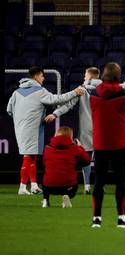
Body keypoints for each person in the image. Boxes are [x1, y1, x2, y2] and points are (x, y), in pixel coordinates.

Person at [7, 66, 84, 195]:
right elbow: (57, 99)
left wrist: (21, 118)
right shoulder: (39, 91)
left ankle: (34, 185)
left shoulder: (16, 92)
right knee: (28, 156)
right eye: (42, 76)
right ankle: (22, 187)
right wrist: (75, 92)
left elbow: (9, 110)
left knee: (32, 156)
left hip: (20, 127)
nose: (43, 79)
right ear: (37, 76)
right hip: (32, 128)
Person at [89, 62, 125, 229]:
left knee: (99, 181)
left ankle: (96, 219)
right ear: (118, 75)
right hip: (119, 143)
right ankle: (121, 218)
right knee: (120, 181)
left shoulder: (93, 94)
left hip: (100, 143)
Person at [48, 67, 101, 194]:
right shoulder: (107, 88)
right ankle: (99, 185)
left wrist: (55, 114)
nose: (83, 78)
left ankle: (87, 186)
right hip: (103, 129)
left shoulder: (82, 89)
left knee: (86, 158)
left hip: (87, 128)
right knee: (101, 159)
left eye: (85, 75)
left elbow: (68, 105)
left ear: (90, 77)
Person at [41, 126, 91, 208]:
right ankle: (67, 196)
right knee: (73, 186)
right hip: (68, 186)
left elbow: (44, 164)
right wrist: (80, 147)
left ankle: (46, 200)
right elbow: (87, 161)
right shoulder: (75, 148)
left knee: (46, 177)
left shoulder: (47, 148)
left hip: (49, 187)